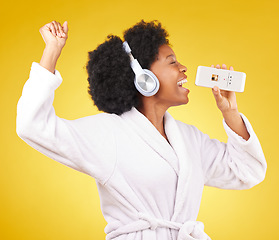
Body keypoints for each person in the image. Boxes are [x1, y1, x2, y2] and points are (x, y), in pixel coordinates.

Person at [16, 20, 267, 240]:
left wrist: (230, 113)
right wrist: (51, 51)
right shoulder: (109, 134)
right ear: (144, 78)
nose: (183, 68)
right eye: (172, 62)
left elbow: (248, 172)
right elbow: (33, 125)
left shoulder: (189, 139)